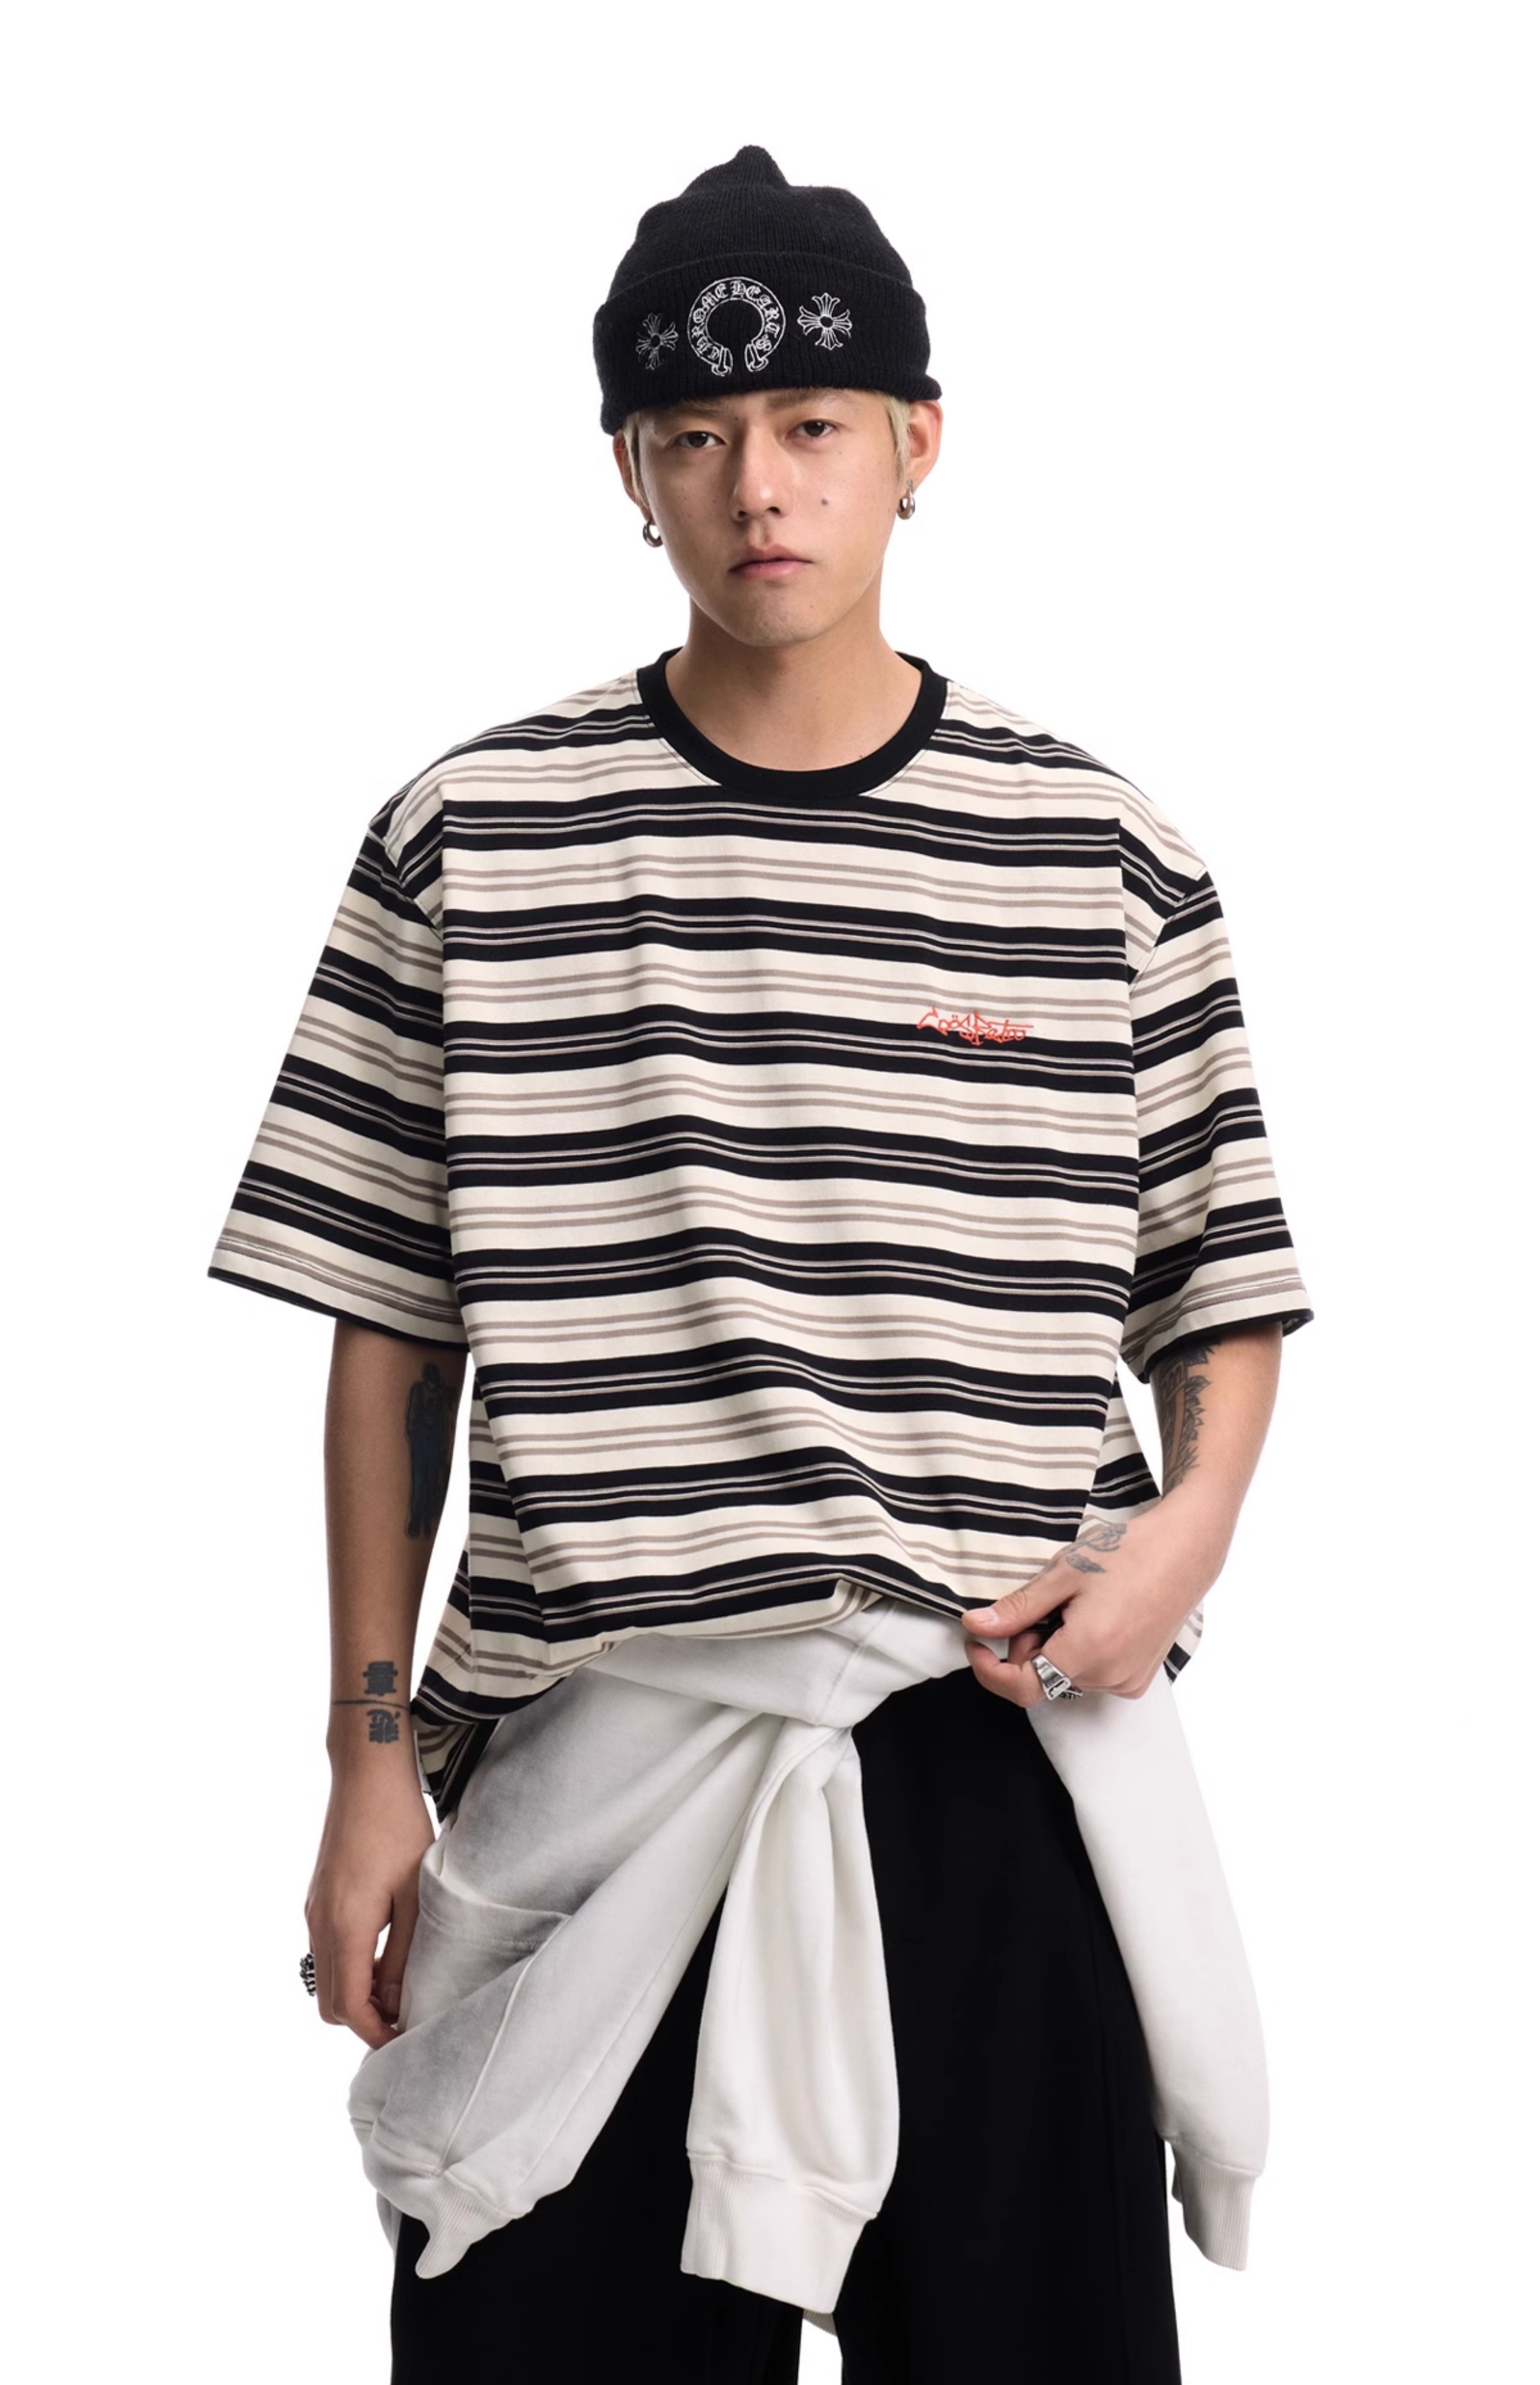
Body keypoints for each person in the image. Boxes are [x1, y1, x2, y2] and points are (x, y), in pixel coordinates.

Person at [211, 145, 1313, 2383]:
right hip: (596, 1754)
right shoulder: (475, 839)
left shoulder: (1099, 854)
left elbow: (1215, 1279)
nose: (759, 487)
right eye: (695, 434)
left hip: (999, 1745)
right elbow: (390, 1331)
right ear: (628, 470)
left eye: (814, 424)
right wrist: (365, 1757)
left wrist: (1187, 1535)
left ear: (920, 441)